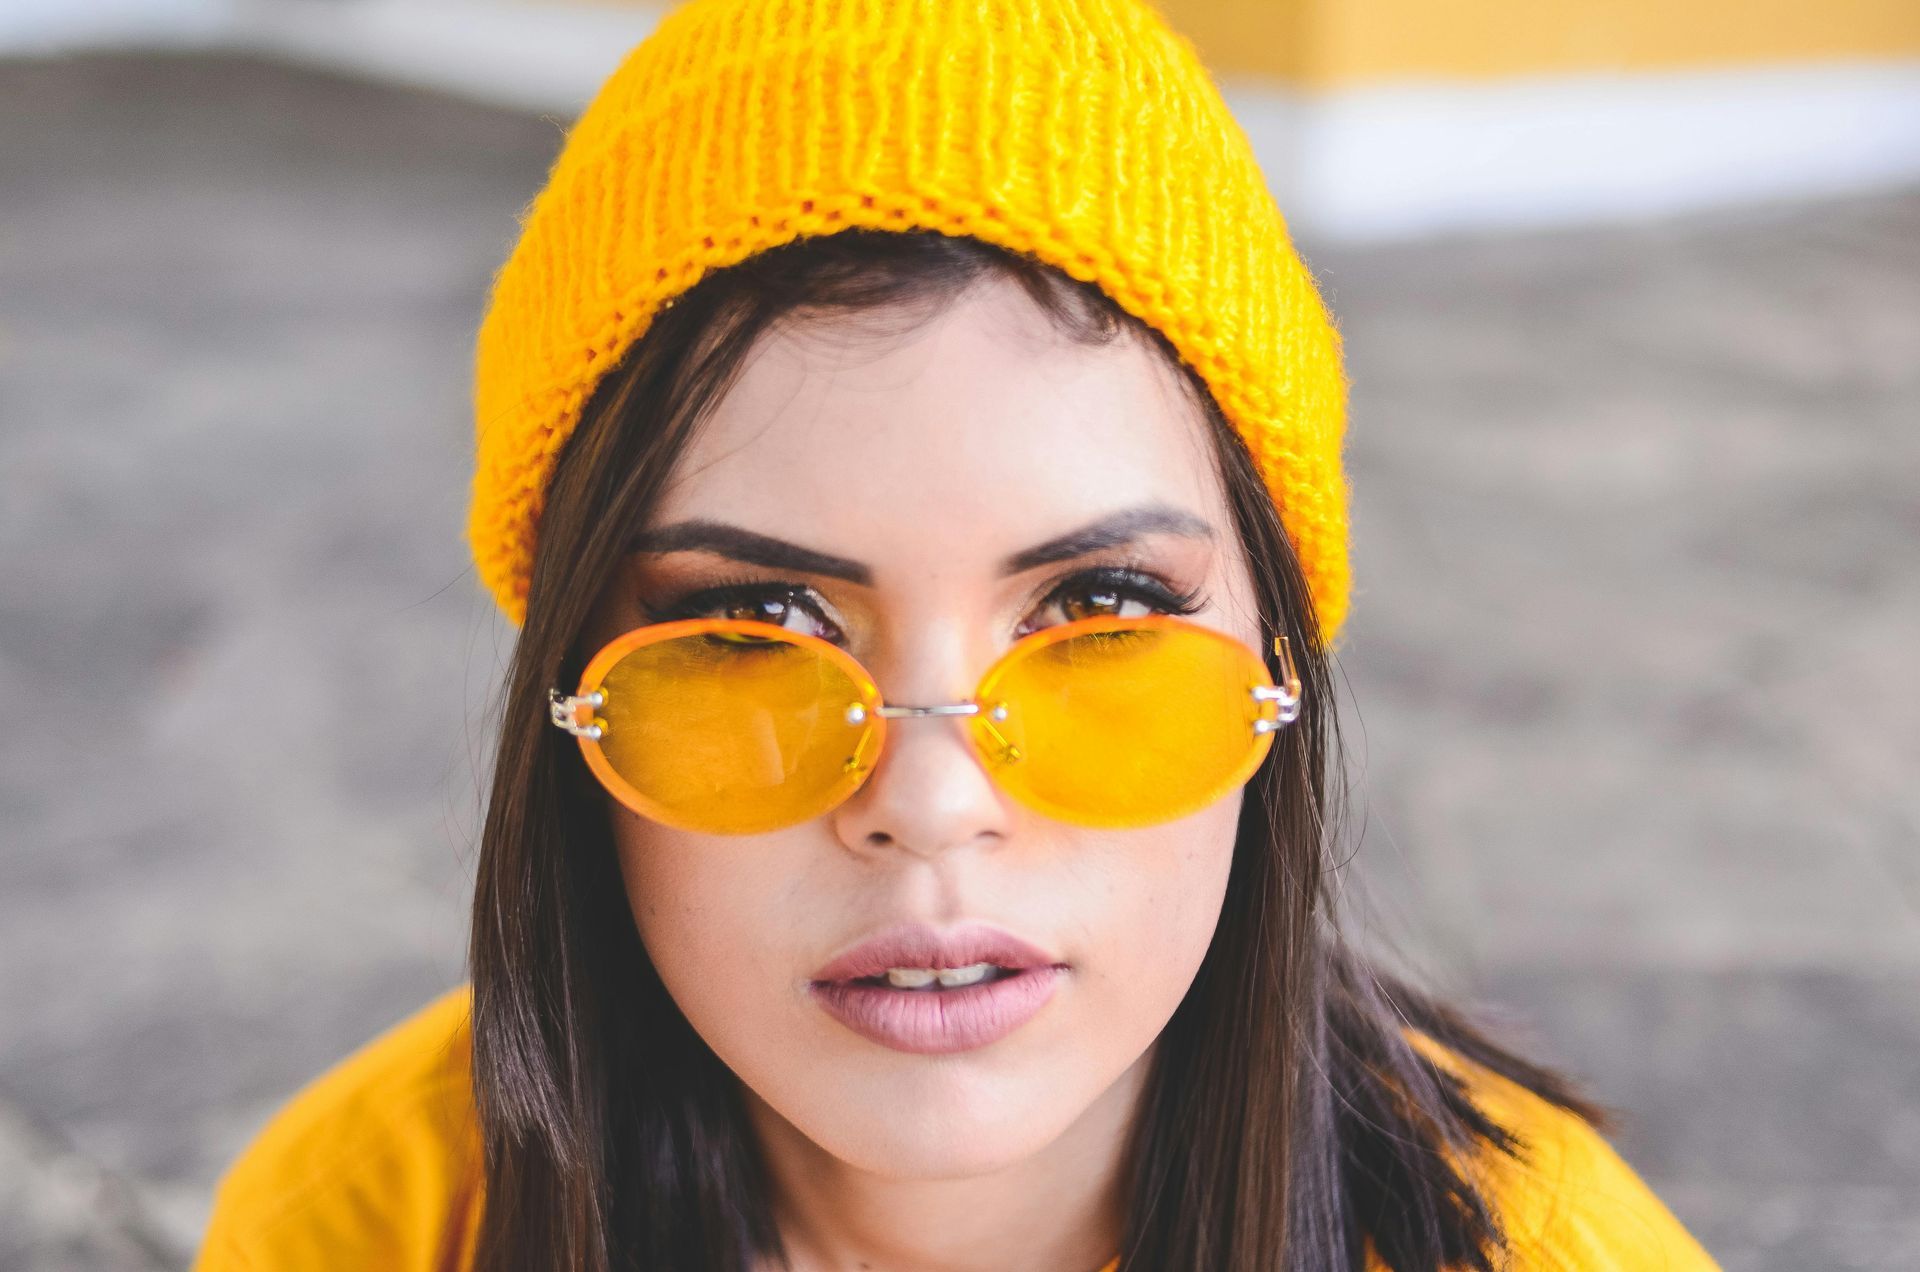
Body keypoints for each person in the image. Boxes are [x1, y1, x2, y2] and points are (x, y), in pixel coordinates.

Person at [191, 1, 1724, 1269]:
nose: (929, 806)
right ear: (568, 691)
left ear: (1277, 671)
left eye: (1103, 610)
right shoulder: (359, 1225)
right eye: (755, 623)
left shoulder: (1543, 1247)